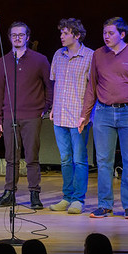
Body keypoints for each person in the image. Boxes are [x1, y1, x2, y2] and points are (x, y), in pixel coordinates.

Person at [79, 17, 128, 219]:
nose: (106, 36)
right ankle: (105, 205)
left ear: (122, 34)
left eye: (111, 33)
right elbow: (92, 87)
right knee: (104, 161)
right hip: (103, 113)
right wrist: (85, 115)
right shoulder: (98, 55)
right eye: (104, 33)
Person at [0, 21, 52, 210]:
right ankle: (9, 193)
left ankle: (34, 193)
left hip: (32, 115)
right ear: (9, 38)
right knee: (11, 158)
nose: (17, 38)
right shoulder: (3, 61)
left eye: (21, 35)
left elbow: (49, 86)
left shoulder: (40, 60)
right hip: (10, 116)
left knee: (32, 157)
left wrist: (46, 107)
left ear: (27, 37)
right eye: (14, 35)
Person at [48, 18, 94, 214]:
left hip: (78, 117)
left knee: (79, 159)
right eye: (61, 33)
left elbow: (93, 88)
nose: (61, 36)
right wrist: (52, 107)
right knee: (65, 159)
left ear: (76, 35)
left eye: (65, 33)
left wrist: (86, 114)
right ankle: (67, 197)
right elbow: (54, 83)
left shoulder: (90, 56)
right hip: (59, 115)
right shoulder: (58, 55)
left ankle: (78, 199)